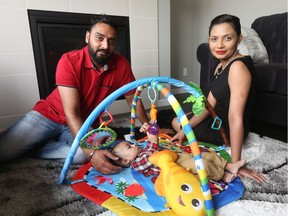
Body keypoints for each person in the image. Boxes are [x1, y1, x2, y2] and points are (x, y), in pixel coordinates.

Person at [0, 14, 149, 175]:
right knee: (4, 152)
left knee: (80, 155)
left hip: (83, 122)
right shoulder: (69, 61)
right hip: (49, 115)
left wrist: (150, 127)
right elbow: (71, 112)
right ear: (87, 37)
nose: (105, 45)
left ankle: (30, 147)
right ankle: (20, 139)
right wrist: (91, 152)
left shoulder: (121, 65)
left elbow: (133, 99)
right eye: (99, 38)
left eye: (111, 41)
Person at [160, 14, 265, 183]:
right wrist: (184, 131)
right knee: (177, 120)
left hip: (225, 132)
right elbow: (208, 106)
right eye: (214, 39)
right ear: (209, 40)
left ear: (239, 39)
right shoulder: (221, 66)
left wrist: (236, 162)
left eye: (228, 38)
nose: (219, 45)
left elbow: (235, 117)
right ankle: (177, 127)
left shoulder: (238, 67)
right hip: (216, 119)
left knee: (173, 121)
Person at [109, 122, 247, 183]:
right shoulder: (137, 164)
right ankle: (221, 175)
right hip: (177, 167)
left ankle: (229, 166)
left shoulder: (140, 150)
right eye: (129, 147)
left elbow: (152, 144)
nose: (134, 144)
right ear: (126, 161)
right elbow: (152, 153)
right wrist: (152, 137)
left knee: (206, 155)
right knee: (201, 165)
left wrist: (150, 129)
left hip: (179, 157)